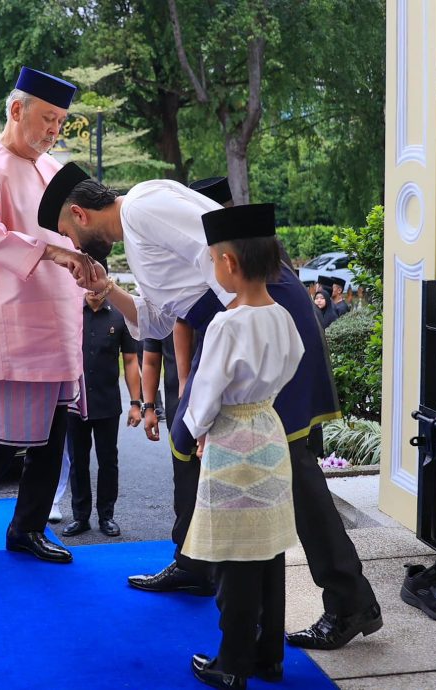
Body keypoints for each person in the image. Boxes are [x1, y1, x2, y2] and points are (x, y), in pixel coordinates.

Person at [37, 163, 382, 650]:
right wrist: (107, 289)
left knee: (292, 467)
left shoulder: (141, 206)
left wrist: (234, 345)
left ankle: (349, 600)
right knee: (190, 442)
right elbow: (157, 319)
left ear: (79, 214)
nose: (72, 243)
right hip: (235, 320)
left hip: (256, 314)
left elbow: (223, 259)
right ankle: (198, 564)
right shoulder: (135, 231)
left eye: (67, 233)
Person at [0, 66, 98, 564]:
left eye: (61, 121)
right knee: (3, 432)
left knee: (54, 432)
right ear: (17, 110)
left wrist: (91, 263)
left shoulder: (55, 170)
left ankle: (27, 529)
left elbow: (79, 231)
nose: (55, 129)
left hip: (58, 313)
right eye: (48, 118)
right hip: (7, 316)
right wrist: (56, 254)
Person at [185, 204, 305, 689]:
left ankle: (231, 664)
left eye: (214, 259)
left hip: (233, 441)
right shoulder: (281, 315)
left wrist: (197, 430)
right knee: (268, 549)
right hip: (269, 435)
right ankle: (267, 658)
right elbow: (294, 360)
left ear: (229, 263)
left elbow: (207, 391)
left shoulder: (227, 323)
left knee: (235, 555)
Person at [61, 284, 142, 539]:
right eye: (87, 286)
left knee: (108, 460)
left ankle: (107, 516)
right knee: (78, 460)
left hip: (108, 402)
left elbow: (130, 360)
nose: (93, 291)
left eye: (97, 286)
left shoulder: (119, 316)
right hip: (75, 402)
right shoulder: (71, 314)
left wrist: (136, 402)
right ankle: (80, 517)